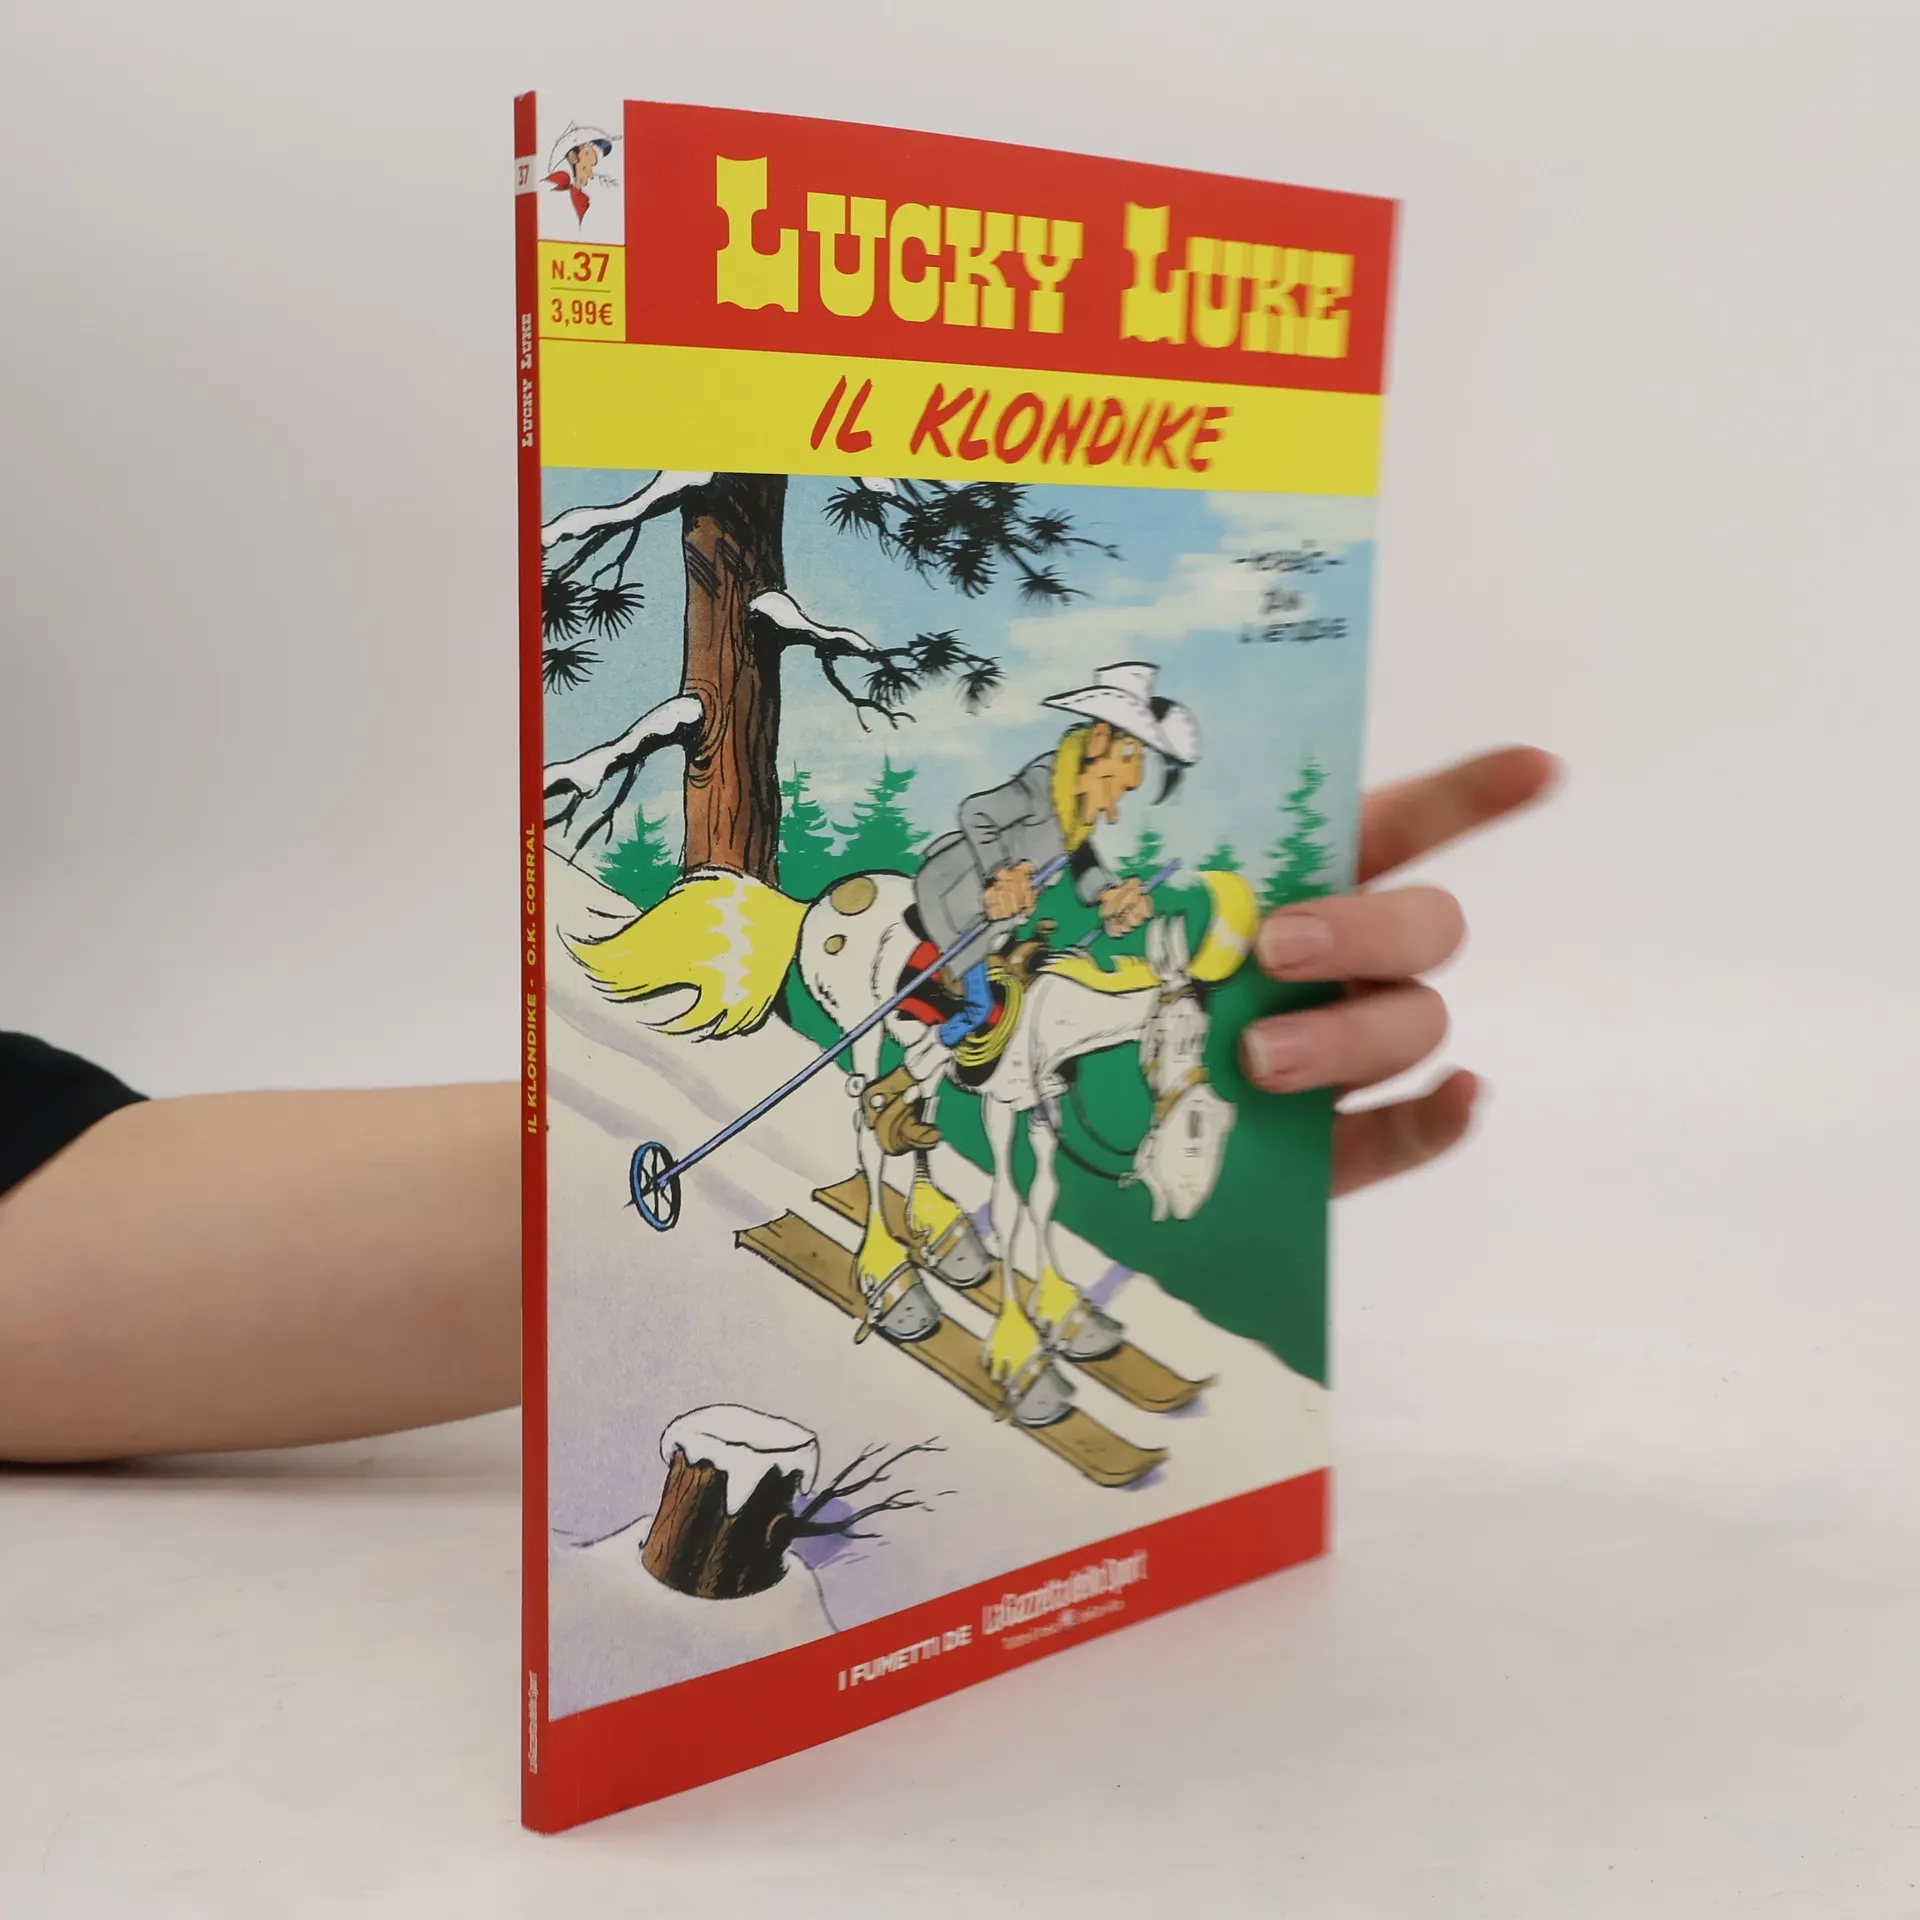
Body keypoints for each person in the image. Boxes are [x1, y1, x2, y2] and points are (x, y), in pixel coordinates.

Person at [0, 746, 1558, 1465]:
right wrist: (990, 908)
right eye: (1121, 768)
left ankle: (999, 1200)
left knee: (1058, 1018)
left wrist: (1171, 983)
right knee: (963, 1027)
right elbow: (970, 869)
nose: (1119, 787)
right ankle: (899, 1200)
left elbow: (66, 1234)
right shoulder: (1014, 807)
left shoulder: (1086, 830)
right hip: (938, 951)